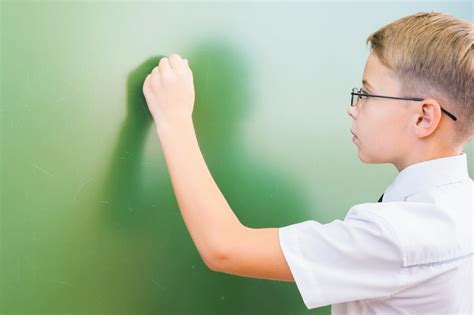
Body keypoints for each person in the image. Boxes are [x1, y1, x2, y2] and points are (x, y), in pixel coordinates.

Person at [142, 11, 473, 314]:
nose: (353, 106)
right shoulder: (460, 206)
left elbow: (224, 247)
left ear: (423, 117)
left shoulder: (394, 236)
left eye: (368, 94)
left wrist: (173, 118)